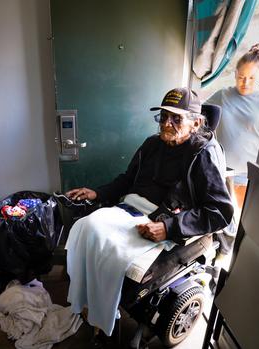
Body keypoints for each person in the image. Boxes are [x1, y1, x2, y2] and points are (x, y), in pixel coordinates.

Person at [64, 87, 233, 336]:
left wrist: (168, 227)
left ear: (196, 122)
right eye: (164, 116)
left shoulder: (203, 154)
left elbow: (219, 211)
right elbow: (127, 179)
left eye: (176, 118)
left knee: (113, 251)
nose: (167, 123)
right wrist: (97, 193)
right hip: (128, 210)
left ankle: (104, 313)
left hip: (163, 221)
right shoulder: (152, 145)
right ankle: (87, 301)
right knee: (85, 228)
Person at [206, 44, 259, 208]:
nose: (245, 82)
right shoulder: (222, 95)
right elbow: (199, 116)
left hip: (247, 175)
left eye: (252, 78)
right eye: (241, 77)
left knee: (240, 219)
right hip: (219, 172)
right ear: (235, 74)